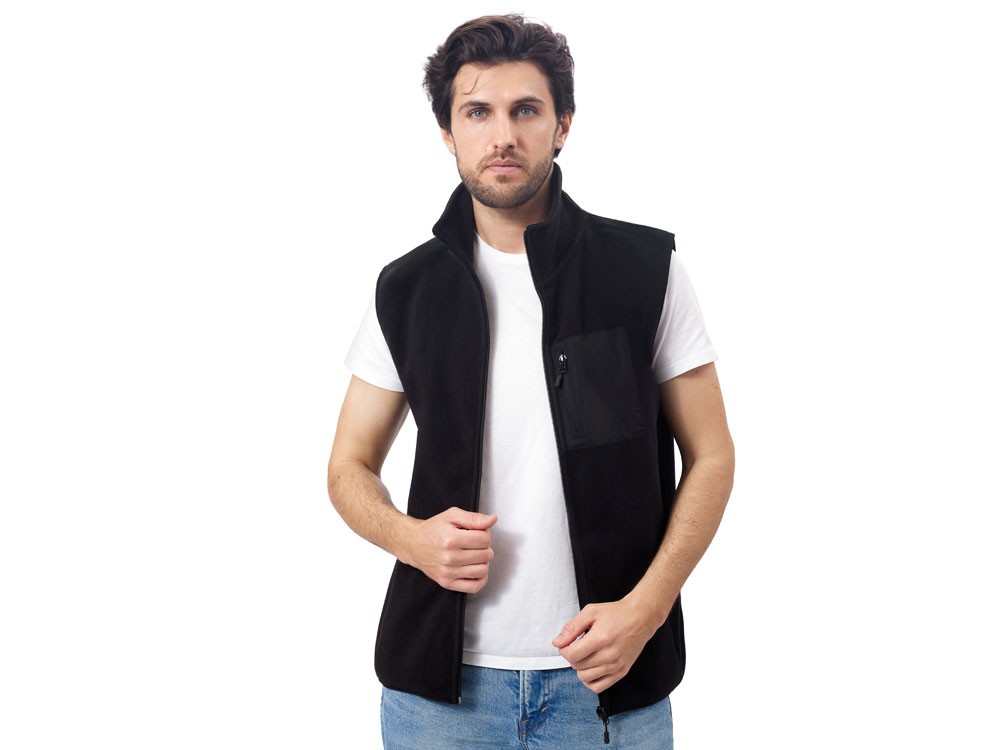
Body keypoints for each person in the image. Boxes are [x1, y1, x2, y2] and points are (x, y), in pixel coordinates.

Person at [327, 14, 734, 749]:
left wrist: (645, 611)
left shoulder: (645, 271)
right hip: (437, 700)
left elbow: (711, 455)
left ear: (562, 125)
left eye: (526, 110)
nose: (502, 136)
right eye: (477, 113)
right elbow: (347, 466)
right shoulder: (406, 289)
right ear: (448, 133)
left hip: (608, 685)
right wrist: (412, 539)